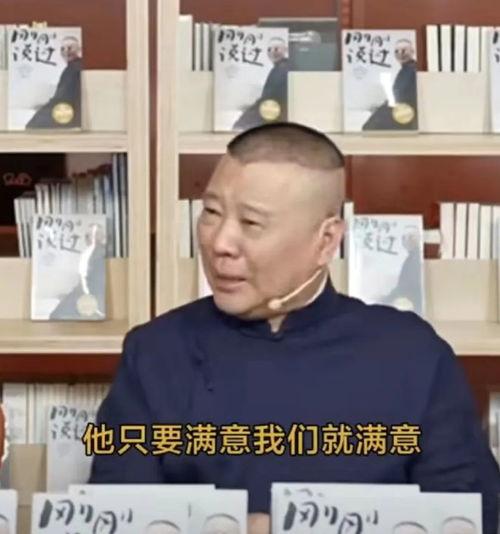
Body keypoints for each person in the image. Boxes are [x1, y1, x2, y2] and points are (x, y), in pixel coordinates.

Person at [89, 123, 500, 534]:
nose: (220, 243)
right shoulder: (154, 351)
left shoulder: (412, 355)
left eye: (251, 223)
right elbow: (115, 516)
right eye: (211, 213)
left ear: (326, 241)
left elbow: (469, 517)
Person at [26, 35, 82, 129]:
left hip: (69, 114)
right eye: (62, 49)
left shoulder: (73, 69)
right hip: (69, 111)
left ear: (79, 49)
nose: (66, 51)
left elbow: (62, 98)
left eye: (70, 48)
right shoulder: (74, 67)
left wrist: (45, 108)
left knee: (32, 126)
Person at [233, 37, 289, 131]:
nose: (272, 52)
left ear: (285, 50)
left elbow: (268, 99)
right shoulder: (282, 68)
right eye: (269, 49)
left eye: (276, 49)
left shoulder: (281, 70)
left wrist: (244, 119)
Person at [362, 38, 418, 131]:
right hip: (400, 110)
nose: (400, 53)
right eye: (397, 51)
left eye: (404, 50)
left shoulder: (411, 70)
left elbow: (401, 96)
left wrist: (382, 109)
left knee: (369, 127)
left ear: (412, 52)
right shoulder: (406, 69)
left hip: (404, 114)